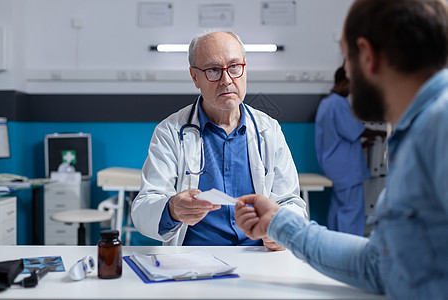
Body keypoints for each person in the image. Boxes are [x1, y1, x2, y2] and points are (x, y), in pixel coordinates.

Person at [234, 0, 448, 298]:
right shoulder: (415, 133)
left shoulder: (441, 122)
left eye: (346, 57)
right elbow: (381, 265)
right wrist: (278, 223)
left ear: (367, 56)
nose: (346, 69)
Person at [131, 31, 306, 249]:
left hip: (258, 258)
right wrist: (172, 209)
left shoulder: (268, 130)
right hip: (194, 262)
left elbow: (290, 201)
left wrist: (283, 227)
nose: (226, 80)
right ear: (195, 77)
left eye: (234, 67)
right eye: (213, 70)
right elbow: (144, 207)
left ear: (245, 68)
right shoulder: (170, 131)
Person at [315, 66, 385, 236]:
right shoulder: (338, 104)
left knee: (339, 208)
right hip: (346, 170)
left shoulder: (326, 103)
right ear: (345, 83)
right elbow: (355, 130)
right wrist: (381, 132)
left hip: (334, 165)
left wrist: (364, 142)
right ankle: (350, 247)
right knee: (351, 210)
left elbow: (338, 138)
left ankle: (335, 244)